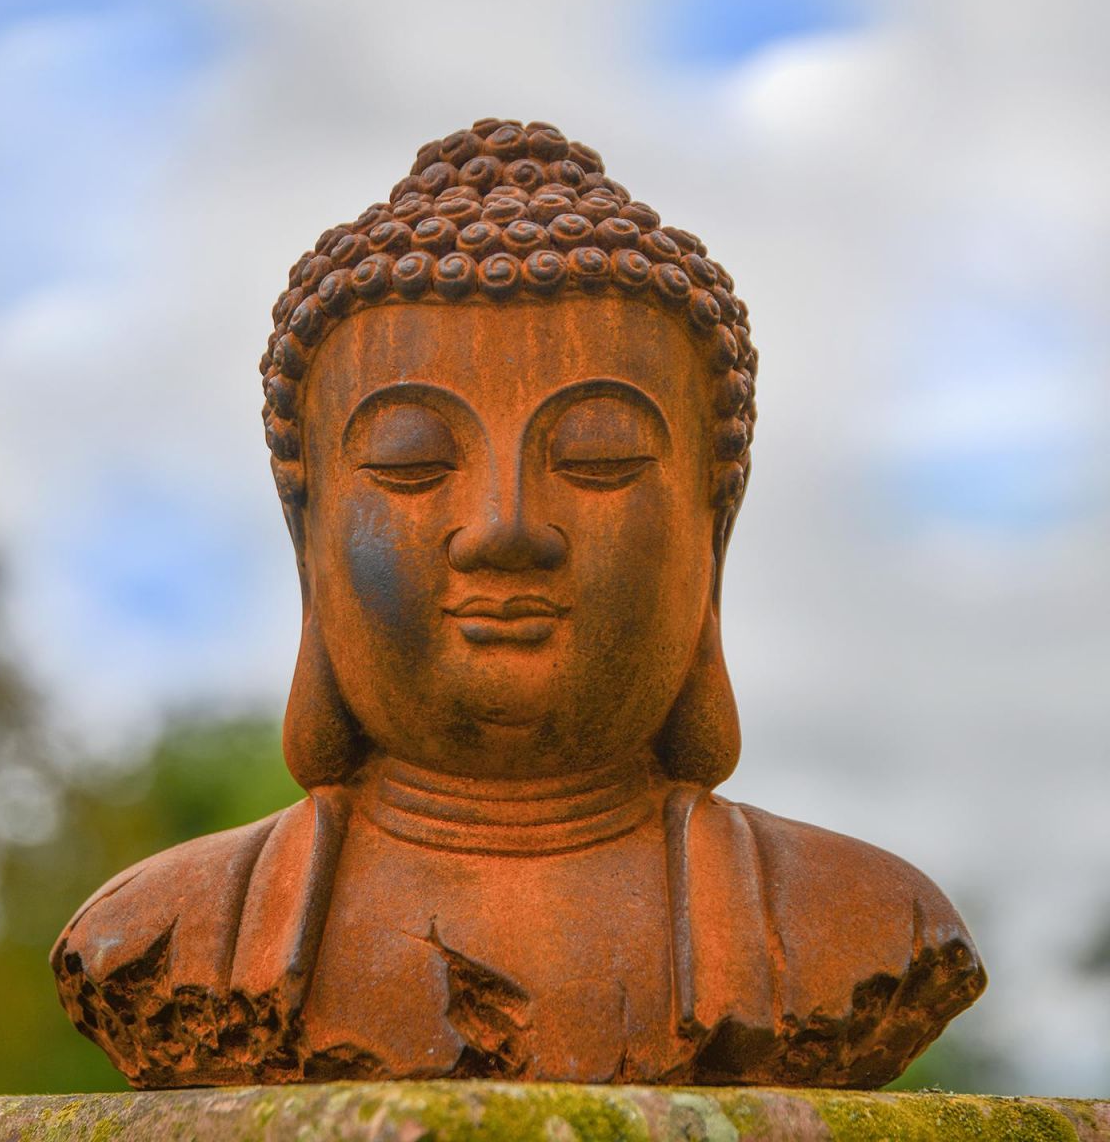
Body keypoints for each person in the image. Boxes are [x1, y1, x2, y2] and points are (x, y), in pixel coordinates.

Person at [52, 119, 985, 1090]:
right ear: (308, 541)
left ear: (712, 535)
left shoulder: (857, 921)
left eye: (597, 459)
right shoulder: (169, 932)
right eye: (412, 462)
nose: (504, 526)